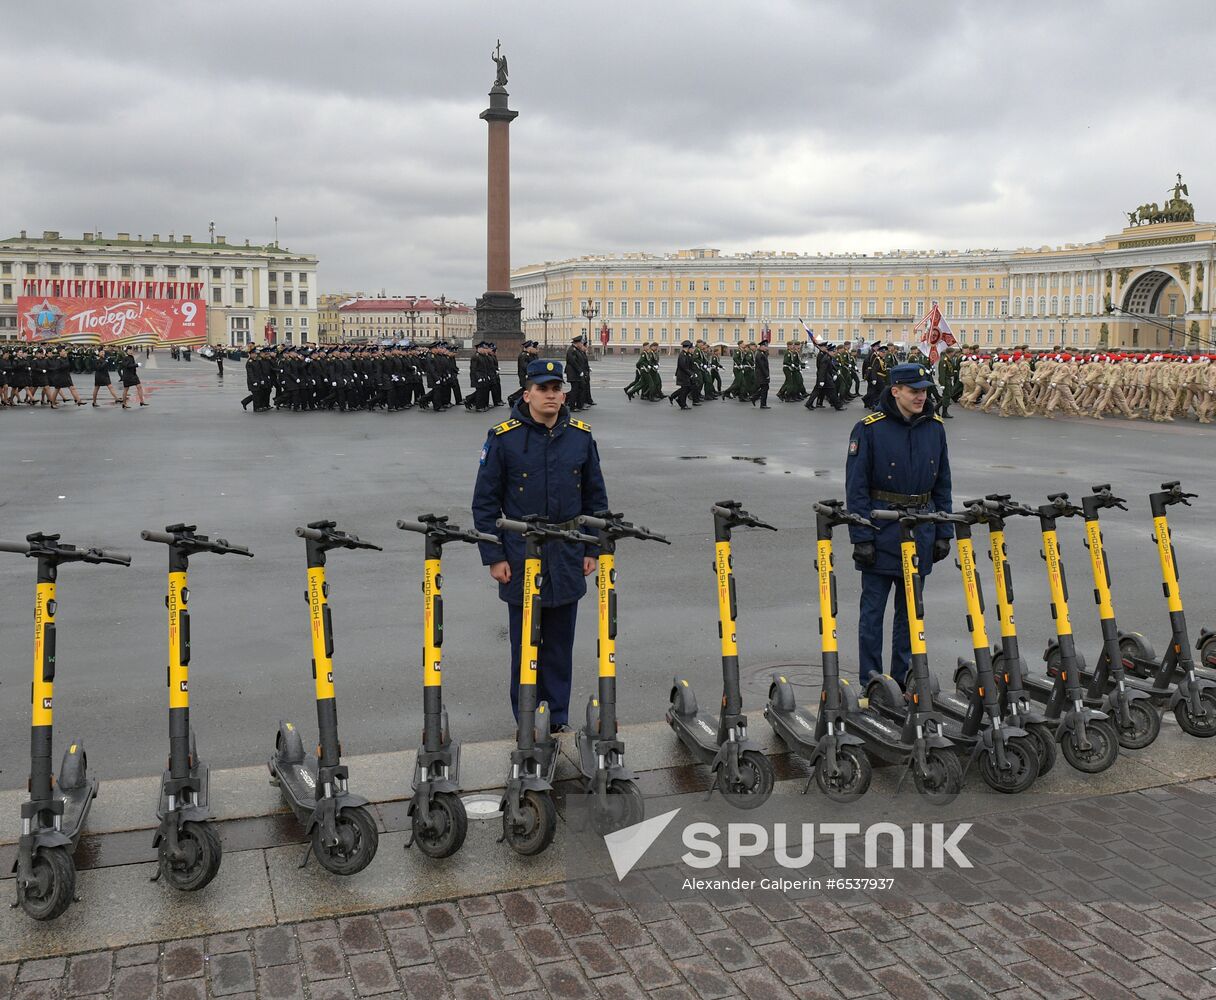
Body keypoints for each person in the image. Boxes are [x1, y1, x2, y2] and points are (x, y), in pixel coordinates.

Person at [471, 358, 608, 730]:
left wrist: (593, 548)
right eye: (543, 389)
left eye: (556, 389)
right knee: (525, 646)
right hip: (521, 554)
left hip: (567, 552)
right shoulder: (504, 438)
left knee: (560, 647)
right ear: (527, 392)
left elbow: (596, 499)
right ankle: (528, 721)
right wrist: (494, 556)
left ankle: (558, 720)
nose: (551, 395)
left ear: (563, 394)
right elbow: (484, 503)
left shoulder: (580, 436)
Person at [845, 362, 953, 688]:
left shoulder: (934, 427)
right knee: (873, 615)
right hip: (882, 531)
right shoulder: (869, 428)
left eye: (924, 391)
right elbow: (857, 488)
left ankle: (903, 679)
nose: (921, 397)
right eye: (913, 391)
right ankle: (872, 681)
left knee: (910, 616)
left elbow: (943, 483)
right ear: (896, 391)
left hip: (920, 529)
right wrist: (861, 536)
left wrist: (943, 531)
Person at [670, 340, 698, 410]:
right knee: (685, 390)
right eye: (691, 348)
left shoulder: (686, 354)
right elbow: (683, 367)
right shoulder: (682, 355)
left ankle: (679, 400)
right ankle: (683, 404)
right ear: (688, 347)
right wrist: (691, 374)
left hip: (685, 375)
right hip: (683, 375)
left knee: (686, 389)